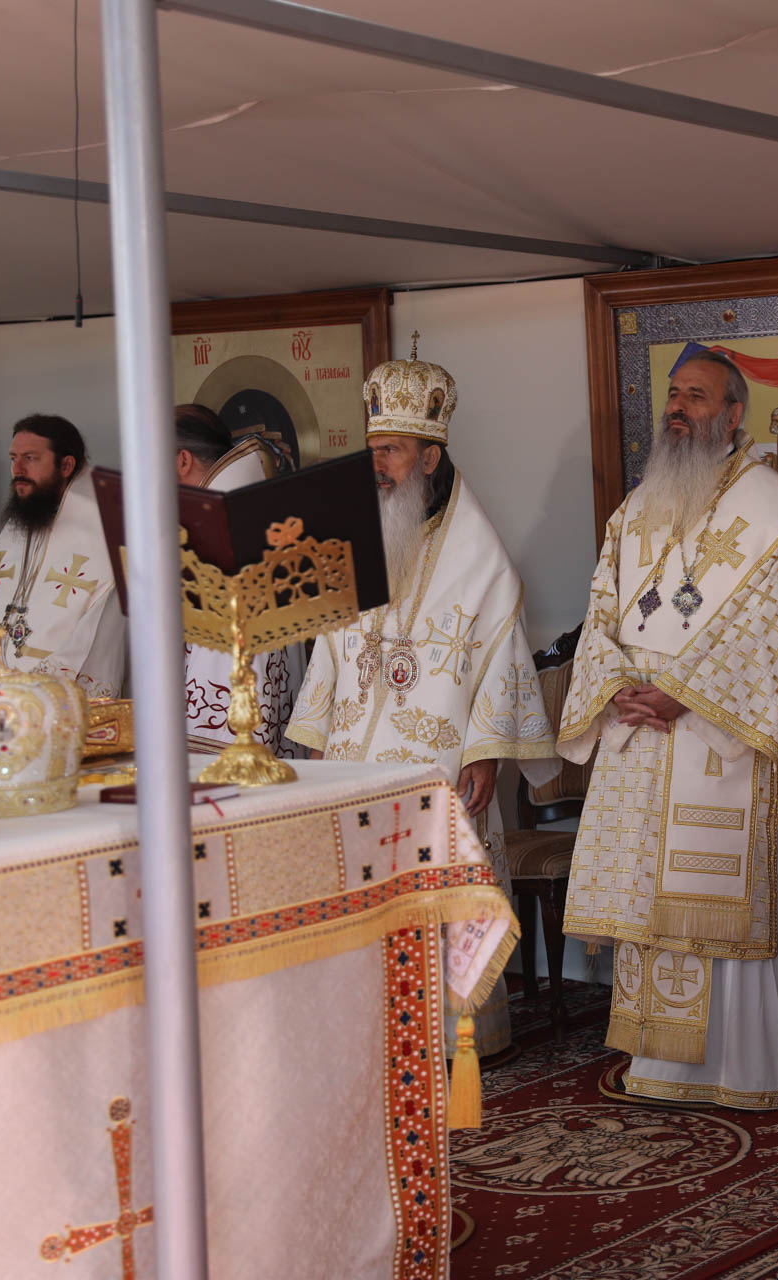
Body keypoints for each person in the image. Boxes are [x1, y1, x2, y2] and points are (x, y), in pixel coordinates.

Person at [558, 349, 778, 1109]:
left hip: (719, 738)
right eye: (674, 395)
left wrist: (682, 694)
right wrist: (619, 685)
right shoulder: (636, 508)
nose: (679, 408)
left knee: (707, 904)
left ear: (734, 412)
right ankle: (659, 1062)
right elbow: (602, 610)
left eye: (698, 396)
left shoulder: (775, 512)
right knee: (647, 899)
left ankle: (738, 1064)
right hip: (638, 735)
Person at [286, 344, 558, 1056]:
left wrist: (490, 753)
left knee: (438, 902)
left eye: (395, 451)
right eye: (373, 448)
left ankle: (455, 1038)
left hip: (439, 766)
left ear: (431, 458)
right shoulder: (352, 537)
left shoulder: (480, 552)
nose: (379, 464)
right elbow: (327, 645)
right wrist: (312, 741)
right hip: (352, 764)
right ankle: (367, 1035)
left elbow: (502, 653)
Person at [0, 415, 126, 698]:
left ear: (66, 465)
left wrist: (32, 696)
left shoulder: (101, 531)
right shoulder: (20, 521)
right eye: (13, 458)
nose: (17, 469)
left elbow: (100, 632)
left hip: (58, 704)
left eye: (30, 458)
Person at [176, 403, 293, 755]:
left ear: (182, 462)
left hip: (226, 766)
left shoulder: (220, 541)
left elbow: (216, 688)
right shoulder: (248, 521)